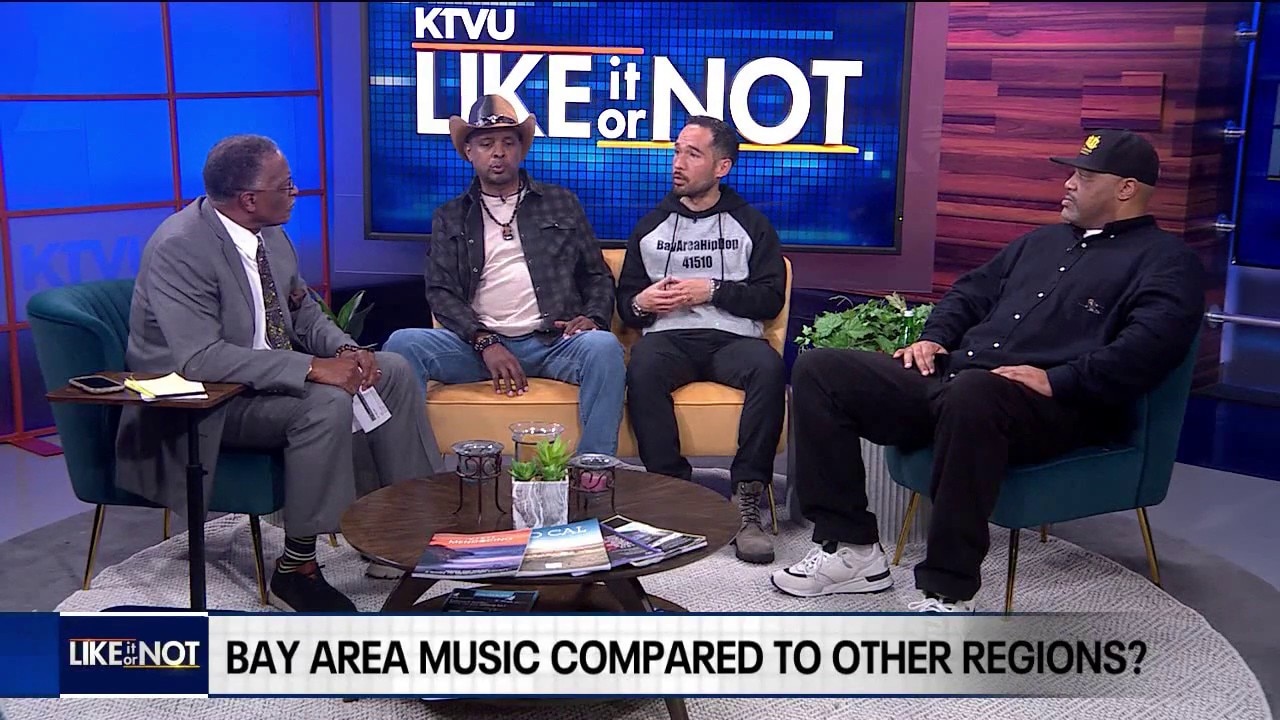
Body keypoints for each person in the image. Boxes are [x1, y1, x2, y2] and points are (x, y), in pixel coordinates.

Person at [772, 129, 1206, 612]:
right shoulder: (1040, 242)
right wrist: (935, 337)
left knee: (975, 395)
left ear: (1126, 188)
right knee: (821, 369)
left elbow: (1148, 349)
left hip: (1057, 406)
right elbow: (969, 294)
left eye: (1084, 177)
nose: (1068, 185)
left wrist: (1057, 378)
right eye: (1071, 174)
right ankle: (852, 551)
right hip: (962, 381)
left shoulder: (1168, 263)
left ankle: (948, 592)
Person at [116, 134, 442, 613]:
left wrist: (345, 349)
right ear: (249, 199)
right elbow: (199, 359)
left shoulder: (270, 234)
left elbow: (302, 311)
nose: (295, 193)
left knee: (390, 369)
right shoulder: (180, 248)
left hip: (262, 381)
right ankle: (297, 568)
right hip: (205, 399)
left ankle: (398, 533)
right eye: (285, 186)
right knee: (323, 402)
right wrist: (311, 367)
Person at [385, 95, 626, 457]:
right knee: (402, 345)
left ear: (521, 149)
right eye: (486, 143)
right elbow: (440, 292)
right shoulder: (450, 217)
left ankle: (592, 469)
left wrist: (593, 317)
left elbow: (596, 274)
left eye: (508, 142)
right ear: (469, 152)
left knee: (604, 348)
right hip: (475, 347)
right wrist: (484, 341)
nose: (498, 152)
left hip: (553, 342)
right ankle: (416, 473)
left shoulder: (561, 202)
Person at [616, 116, 788, 565]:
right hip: (669, 339)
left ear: (721, 167)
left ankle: (747, 499)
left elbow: (770, 299)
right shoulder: (650, 227)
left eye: (692, 154)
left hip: (732, 340)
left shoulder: (752, 225)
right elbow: (626, 307)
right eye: (677, 151)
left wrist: (712, 290)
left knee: (768, 367)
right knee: (643, 366)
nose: (678, 163)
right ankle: (673, 493)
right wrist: (642, 302)